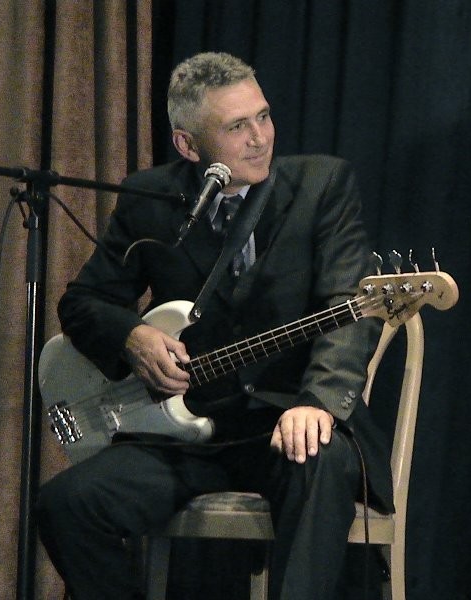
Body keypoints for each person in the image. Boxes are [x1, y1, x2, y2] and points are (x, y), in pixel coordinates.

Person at [36, 51, 393, 600]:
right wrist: (132, 337)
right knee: (67, 503)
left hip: (284, 423)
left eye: (263, 117)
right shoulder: (151, 198)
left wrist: (318, 402)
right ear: (187, 144)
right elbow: (83, 302)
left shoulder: (322, 184)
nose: (259, 138)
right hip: (179, 438)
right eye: (236, 126)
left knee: (319, 459)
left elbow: (349, 304)